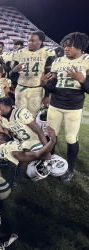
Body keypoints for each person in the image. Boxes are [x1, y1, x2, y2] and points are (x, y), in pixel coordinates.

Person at [41, 32, 89, 181]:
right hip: (56, 104)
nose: (66, 48)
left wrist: (82, 80)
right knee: (51, 136)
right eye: (65, 46)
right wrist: (44, 85)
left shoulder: (87, 60)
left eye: (70, 45)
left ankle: (70, 169)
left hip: (73, 107)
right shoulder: (58, 61)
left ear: (80, 46)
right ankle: (50, 162)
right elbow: (52, 87)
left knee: (70, 137)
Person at [10, 30, 56, 117]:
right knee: (20, 116)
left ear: (40, 42)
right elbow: (11, 75)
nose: (29, 43)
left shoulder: (45, 52)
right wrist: (15, 69)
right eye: (29, 41)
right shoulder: (21, 52)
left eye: (32, 41)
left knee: (32, 117)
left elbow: (47, 76)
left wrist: (46, 95)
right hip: (21, 88)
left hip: (36, 90)